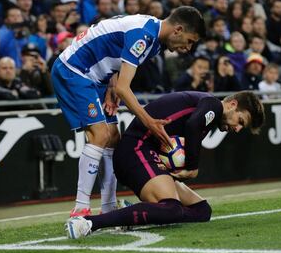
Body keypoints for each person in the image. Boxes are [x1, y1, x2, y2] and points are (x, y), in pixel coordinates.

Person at [51, 6, 206, 217]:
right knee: (100, 134)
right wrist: (149, 122)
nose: (188, 48)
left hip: (98, 77)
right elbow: (125, 89)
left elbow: (115, 56)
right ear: (178, 29)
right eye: (189, 41)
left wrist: (111, 86)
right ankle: (80, 208)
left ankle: (108, 207)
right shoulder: (144, 35)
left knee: (113, 137)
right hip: (74, 70)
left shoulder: (154, 39)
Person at [65, 90, 265, 239]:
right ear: (232, 104)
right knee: (172, 209)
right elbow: (193, 125)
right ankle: (88, 223)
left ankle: (135, 212)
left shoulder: (207, 112)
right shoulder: (213, 105)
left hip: (145, 153)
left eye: (242, 127)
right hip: (134, 149)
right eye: (240, 120)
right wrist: (193, 167)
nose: (237, 129)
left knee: (202, 210)